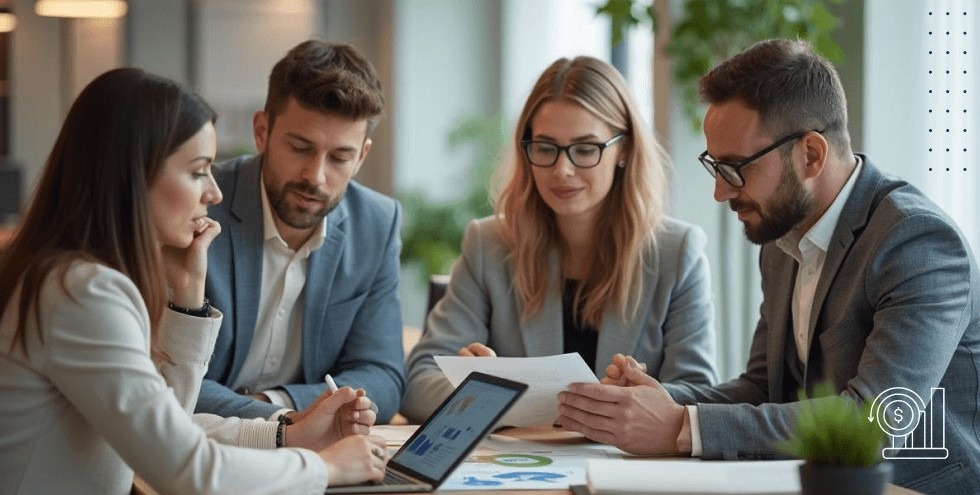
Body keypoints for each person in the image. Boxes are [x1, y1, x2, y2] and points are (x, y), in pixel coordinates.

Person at [556, 39, 980, 493]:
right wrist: (653, 402)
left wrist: (683, 426)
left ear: (811, 155)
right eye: (714, 166)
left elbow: (874, 422)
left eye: (736, 168)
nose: (721, 192)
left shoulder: (917, 243)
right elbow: (763, 388)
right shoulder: (781, 239)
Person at [0, 68, 387, 494]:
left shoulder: (75, 276)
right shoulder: (81, 292)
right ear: (136, 173)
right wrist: (325, 468)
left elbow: (171, 423)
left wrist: (284, 433)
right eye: (199, 171)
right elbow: (189, 471)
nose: (214, 193)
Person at [401, 56, 717, 423]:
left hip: (624, 469)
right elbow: (418, 384)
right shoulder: (488, 244)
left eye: (585, 149)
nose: (561, 170)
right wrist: (490, 389)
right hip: (518, 470)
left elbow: (697, 392)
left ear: (625, 149)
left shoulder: (677, 252)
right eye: (546, 148)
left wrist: (627, 401)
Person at [197, 40, 405, 423]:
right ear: (262, 131)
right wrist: (287, 422)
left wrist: (274, 403)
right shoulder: (201, 205)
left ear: (361, 156)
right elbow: (173, 381)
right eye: (299, 148)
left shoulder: (376, 222)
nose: (316, 176)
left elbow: (383, 376)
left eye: (340, 157)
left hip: (306, 454)